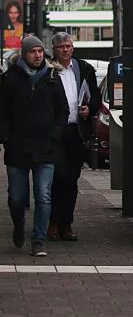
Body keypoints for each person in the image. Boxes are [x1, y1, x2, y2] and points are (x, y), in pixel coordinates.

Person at [0, 36, 68, 257]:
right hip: (18, 148)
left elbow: (63, 111)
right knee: (17, 197)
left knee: (43, 194)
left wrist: (55, 134)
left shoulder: (51, 78)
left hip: (46, 147)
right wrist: (7, 138)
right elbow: (2, 113)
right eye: (33, 52)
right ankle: (19, 225)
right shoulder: (10, 79)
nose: (38, 55)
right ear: (24, 54)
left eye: (40, 51)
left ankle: (38, 239)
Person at [48, 32, 100, 242]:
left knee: (71, 179)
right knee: (56, 177)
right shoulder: (48, 70)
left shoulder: (84, 69)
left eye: (68, 46)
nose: (65, 50)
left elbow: (95, 95)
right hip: (55, 132)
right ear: (54, 49)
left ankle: (66, 224)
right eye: (61, 46)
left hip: (77, 131)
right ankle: (52, 222)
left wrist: (90, 108)